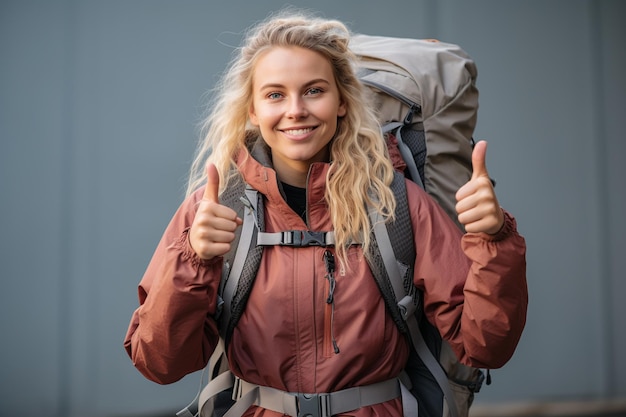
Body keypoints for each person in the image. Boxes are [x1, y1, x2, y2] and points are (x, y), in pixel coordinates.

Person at [124, 10, 527, 417]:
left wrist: (494, 240)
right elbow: (160, 363)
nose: (296, 110)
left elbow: (484, 346)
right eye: (275, 94)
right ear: (252, 110)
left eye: (314, 90)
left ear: (342, 103)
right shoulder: (213, 209)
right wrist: (193, 260)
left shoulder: (396, 204)